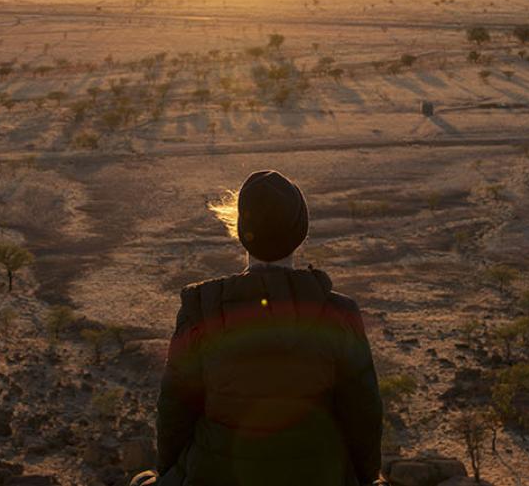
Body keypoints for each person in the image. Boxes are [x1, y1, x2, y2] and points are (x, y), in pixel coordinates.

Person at [133, 170, 383, 486]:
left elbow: (174, 410)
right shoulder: (338, 313)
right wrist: (365, 477)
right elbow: (363, 413)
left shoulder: (202, 310)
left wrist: (169, 472)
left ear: (242, 232)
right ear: (300, 233)